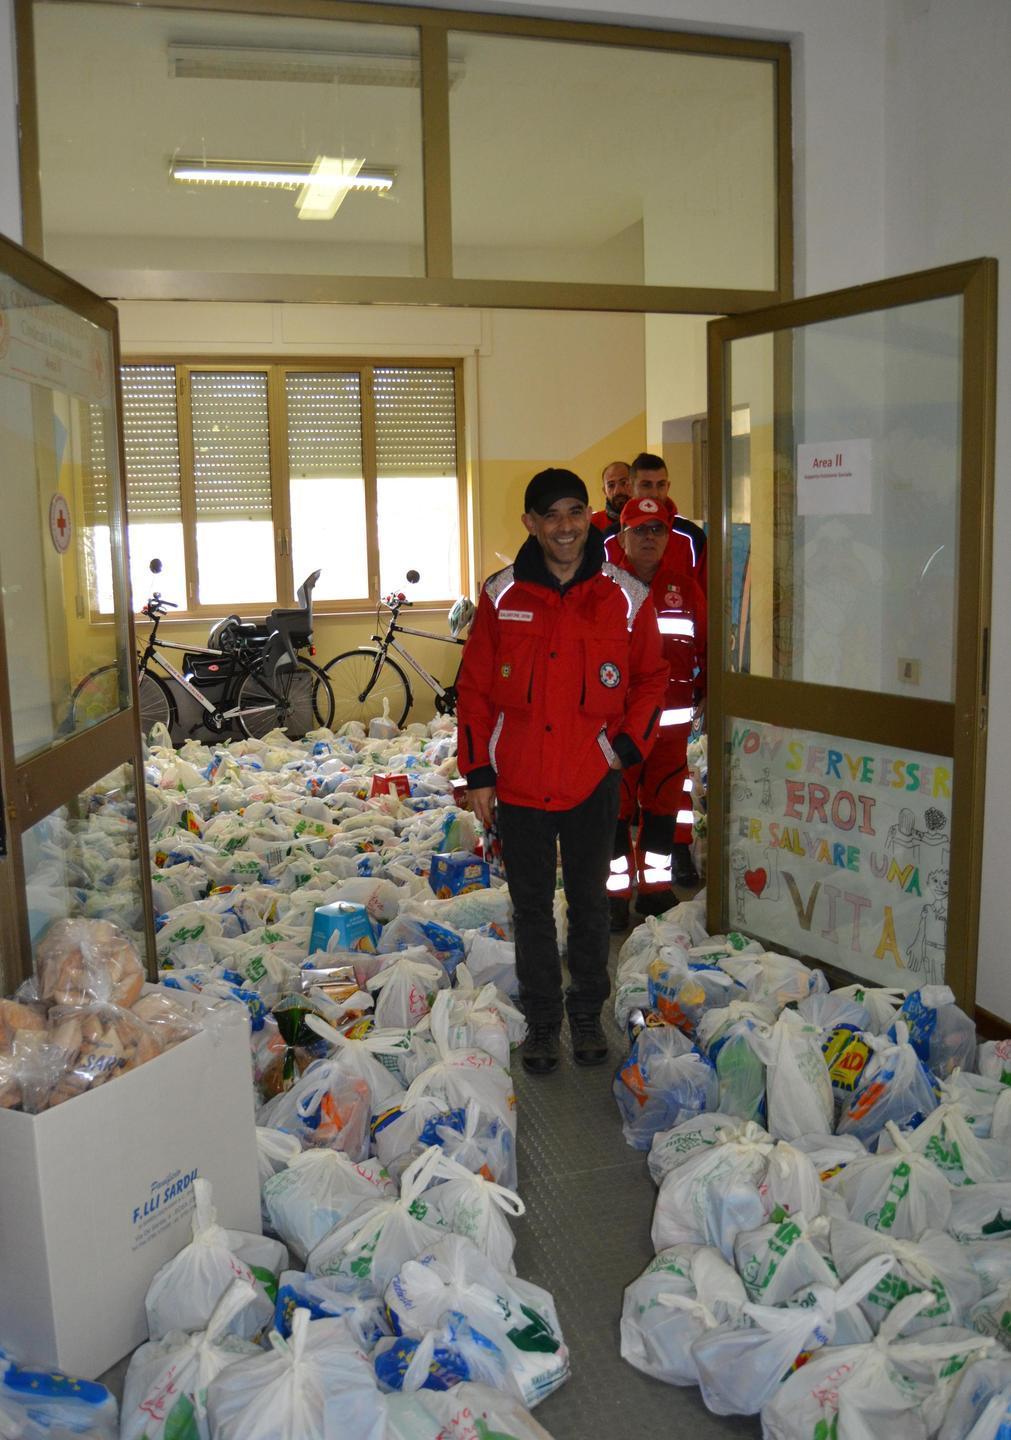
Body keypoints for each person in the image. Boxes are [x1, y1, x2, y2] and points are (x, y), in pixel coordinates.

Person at [456, 468, 668, 1075]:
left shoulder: (625, 596)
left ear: (588, 517)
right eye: (551, 515)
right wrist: (478, 774)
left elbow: (653, 677)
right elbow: (473, 691)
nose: (566, 526)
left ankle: (585, 1015)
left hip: (590, 778)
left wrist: (624, 748)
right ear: (531, 524)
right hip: (519, 781)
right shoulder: (501, 596)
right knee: (530, 910)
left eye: (575, 511)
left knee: (589, 905)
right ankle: (545, 1022)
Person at [608, 496, 706, 926]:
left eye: (657, 530)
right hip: (620, 727)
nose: (649, 538)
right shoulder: (606, 588)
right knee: (614, 810)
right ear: (622, 537)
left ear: (668, 537)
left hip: (670, 728)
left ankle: (654, 889)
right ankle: (613, 896)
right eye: (640, 530)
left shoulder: (684, 587)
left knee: (664, 809)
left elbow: (707, 645)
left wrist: (709, 690)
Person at [606, 451, 708, 592]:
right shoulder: (608, 539)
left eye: (660, 485)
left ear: (668, 486)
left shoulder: (692, 537)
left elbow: (706, 598)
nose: (654, 493)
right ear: (630, 487)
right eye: (646, 485)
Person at [590, 459, 631, 538]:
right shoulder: (592, 524)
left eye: (623, 483)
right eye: (611, 485)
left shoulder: (648, 519)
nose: (618, 491)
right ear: (604, 491)